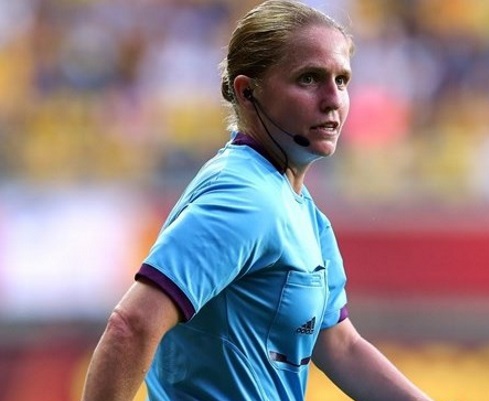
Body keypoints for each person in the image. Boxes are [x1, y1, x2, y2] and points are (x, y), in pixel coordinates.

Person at [81, 1, 435, 400]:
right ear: (247, 92)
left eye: (342, 80)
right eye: (309, 79)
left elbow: (341, 346)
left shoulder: (302, 211)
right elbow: (132, 325)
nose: (333, 99)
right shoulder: (243, 197)